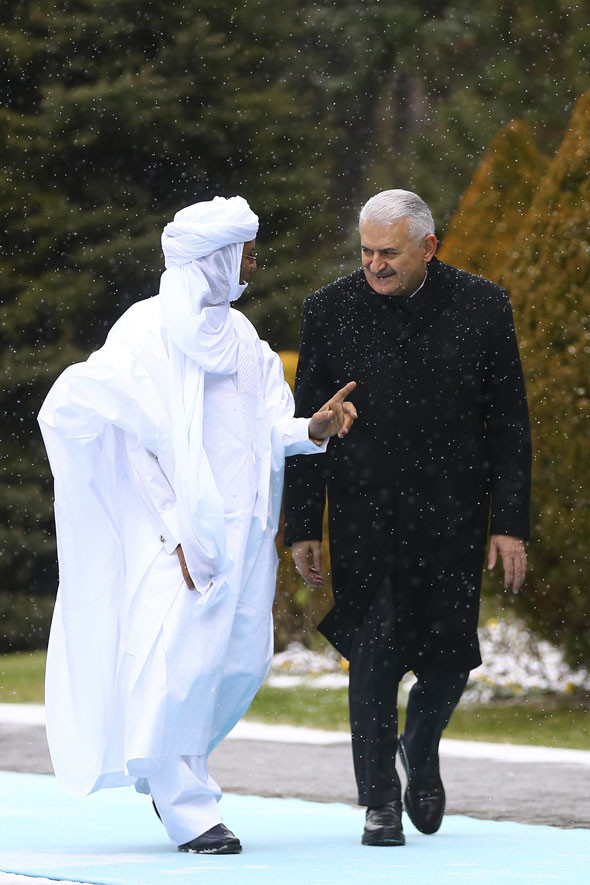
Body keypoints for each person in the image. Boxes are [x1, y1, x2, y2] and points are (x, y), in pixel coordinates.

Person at [38, 196, 357, 855]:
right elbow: (132, 439)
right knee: (179, 668)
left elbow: (267, 427)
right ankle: (186, 803)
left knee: (238, 665)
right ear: (214, 258)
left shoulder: (241, 336)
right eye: (245, 253)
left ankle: (170, 769)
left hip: (247, 531)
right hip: (181, 536)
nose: (254, 264)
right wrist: (176, 530)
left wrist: (312, 429)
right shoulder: (145, 329)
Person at [284, 188, 531, 846]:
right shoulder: (329, 309)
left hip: (452, 519)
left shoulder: (483, 305)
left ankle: (420, 740)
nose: (375, 265)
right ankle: (379, 801)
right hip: (366, 517)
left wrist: (509, 520)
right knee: (373, 656)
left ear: (429, 246)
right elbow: (306, 424)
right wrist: (303, 523)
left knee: (450, 661)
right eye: (366, 252)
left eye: (389, 253)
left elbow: (509, 423)